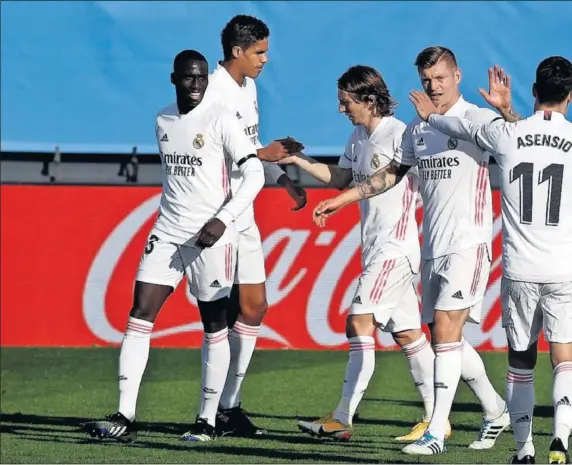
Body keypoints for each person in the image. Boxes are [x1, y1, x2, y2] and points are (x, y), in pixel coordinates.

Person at [311, 46, 512, 456]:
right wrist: (345, 198)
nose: (433, 86)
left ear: (457, 75)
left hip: (469, 243)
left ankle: (435, 430)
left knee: (443, 331)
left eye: (440, 78)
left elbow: (514, 142)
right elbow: (390, 175)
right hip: (431, 248)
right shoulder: (417, 130)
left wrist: (506, 112)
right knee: (445, 338)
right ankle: (495, 408)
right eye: (426, 81)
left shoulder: (476, 117)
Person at [85, 49, 266, 443]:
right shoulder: (163, 119)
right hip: (168, 231)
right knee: (139, 312)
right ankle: (124, 415)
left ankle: (207, 421)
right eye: (189, 78)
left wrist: (223, 219)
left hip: (211, 236)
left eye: (202, 77)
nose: (197, 84)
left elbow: (254, 174)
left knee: (214, 323)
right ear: (174, 79)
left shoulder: (221, 118)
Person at [410, 56, 572, 465]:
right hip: (564, 269)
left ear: (534, 91)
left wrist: (430, 118)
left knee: (521, 362)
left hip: (519, 271)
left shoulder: (506, 133)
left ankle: (523, 449)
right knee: (564, 358)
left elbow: (456, 124)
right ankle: (562, 439)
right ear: (569, 96)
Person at [283, 65, 448, 442]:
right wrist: (298, 161)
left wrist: (340, 202)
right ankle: (437, 419)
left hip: (395, 249)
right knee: (408, 336)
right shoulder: (358, 137)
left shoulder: (399, 135)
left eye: (346, 102)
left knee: (358, 323)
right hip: (376, 249)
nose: (342, 110)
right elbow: (343, 179)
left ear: (369, 100)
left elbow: (398, 179)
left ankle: (342, 417)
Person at [200, 14, 307, 439]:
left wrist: (284, 180)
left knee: (255, 307)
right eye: (259, 52)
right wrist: (266, 152)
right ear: (237, 51)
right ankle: (211, 412)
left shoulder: (250, 86)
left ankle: (229, 408)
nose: (265, 60)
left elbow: (251, 149)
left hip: (245, 213)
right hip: (218, 217)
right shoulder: (210, 91)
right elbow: (213, 154)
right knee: (219, 317)